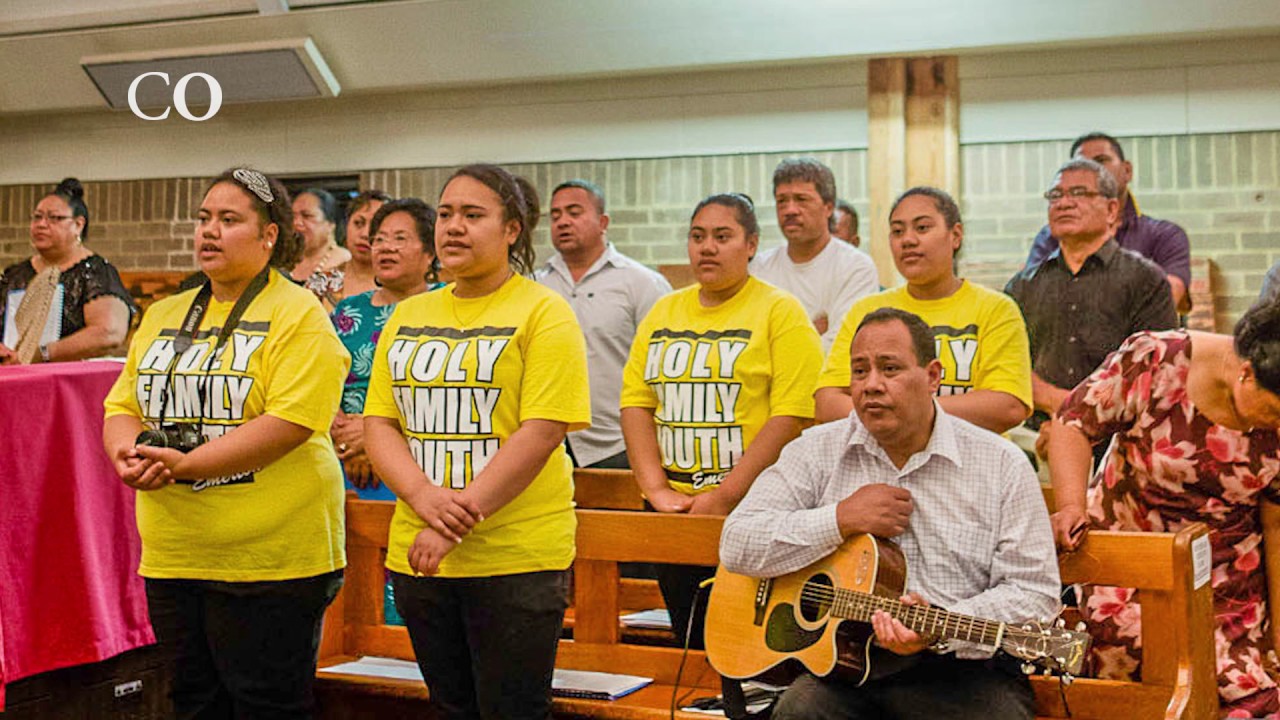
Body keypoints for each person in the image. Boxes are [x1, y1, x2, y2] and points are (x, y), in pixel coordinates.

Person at [721, 307, 1061, 720]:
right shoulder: (816, 450)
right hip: (847, 668)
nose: (871, 386)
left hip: (964, 672)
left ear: (933, 376)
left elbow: (1035, 595)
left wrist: (941, 624)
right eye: (859, 371)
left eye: (890, 368)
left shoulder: (1001, 463)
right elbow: (737, 542)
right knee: (799, 710)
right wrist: (840, 518)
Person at [102, 168, 350, 719]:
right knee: (192, 702)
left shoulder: (299, 314)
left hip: (271, 555)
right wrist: (125, 454)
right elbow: (122, 405)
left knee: (265, 706)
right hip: (175, 551)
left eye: (229, 220)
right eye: (204, 218)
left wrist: (186, 464)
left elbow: (289, 422)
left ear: (269, 236)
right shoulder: (166, 313)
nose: (209, 231)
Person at [364, 164, 590, 720]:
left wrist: (452, 520)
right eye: (445, 214)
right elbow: (380, 424)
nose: (453, 227)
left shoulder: (544, 312)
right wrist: (422, 499)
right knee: (449, 709)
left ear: (512, 229)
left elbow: (540, 433)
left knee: (512, 711)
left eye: (473, 215)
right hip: (421, 557)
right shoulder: (409, 315)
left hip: (515, 558)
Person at [1047, 299, 1280, 717]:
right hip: (1131, 576)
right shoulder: (1157, 360)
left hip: (1229, 589)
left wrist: (1278, 642)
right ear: (1246, 373)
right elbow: (1073, 424)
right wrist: (1069, 506)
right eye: (1275, 411)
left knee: (1253, 697)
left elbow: (1278, 529)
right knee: (1145, 680)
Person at [620, 192, 823, 649]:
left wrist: (725, 496)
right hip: (676, 512)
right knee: (690, 645)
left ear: (750, 245)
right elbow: (636, 403)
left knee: (748, 648)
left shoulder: (779, 312)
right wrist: (656, 491)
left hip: (754, 511)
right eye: (697, 237)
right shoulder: (664, 312)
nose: (707, 247)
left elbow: (790, 415)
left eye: (722, 236)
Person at [815, 187, 1031, 434]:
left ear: (956, 235)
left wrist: (906, 410)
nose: (908, 240)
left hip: (973, 462)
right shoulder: (867, 310)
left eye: (922, 228)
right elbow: (827, 403)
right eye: (897, 231)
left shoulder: (996, 309)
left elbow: (1008, 406)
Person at [1005, 158, 1178, 450]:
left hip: (1121, 443)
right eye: (1056, 195)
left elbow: (1156, 371)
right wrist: (1058, 412)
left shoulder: (1146, 281)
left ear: (1112, 209)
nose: (1064, 203)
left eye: (1079, 193)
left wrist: (1078, 418)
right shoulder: (1023, 286)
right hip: (1039, 440)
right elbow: (1009, 366)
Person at [535, 179, 671, 469]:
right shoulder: (535, 285)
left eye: (574, 212)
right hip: (548, 445)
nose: (563, 222)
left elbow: (663, 368)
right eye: (555, 215)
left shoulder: (642, 283)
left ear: (603, 221)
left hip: (619, 444)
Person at [331, 197, 442, 499]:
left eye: (400, 239)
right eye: (379, 239)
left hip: (421, 459)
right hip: (342, 458)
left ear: (430, 252)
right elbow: (319, 379)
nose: (385, 247)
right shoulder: (347, 311)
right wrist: (344, 436)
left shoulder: (448, 305)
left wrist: (374, 438)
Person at [1025, 132, 1192, 313]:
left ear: (1127, 171)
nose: (1092, 171)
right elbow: (1036, 302)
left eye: (1101, 160)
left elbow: (1164, 303)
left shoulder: (1164, 235)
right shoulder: (1051, 236)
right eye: (1082, 165)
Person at [0, 177, 135, 364]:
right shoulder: (15, 274)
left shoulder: (95, 272)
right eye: (37, 217)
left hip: (67, 381)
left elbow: (109, 332)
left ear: (78, 225)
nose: (41, 224)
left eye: (54, 218)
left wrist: (42, 354)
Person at [751, 157, 878, 351]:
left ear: (828, 207)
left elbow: (841, 347)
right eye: (782, 201)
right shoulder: (758, 268)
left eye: (801, 200)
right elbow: (751, 345)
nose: (790, 210)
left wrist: (780, 340)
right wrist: (810, 331)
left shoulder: (856, 267)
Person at [290, 188, 351, 310]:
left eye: (306, 216)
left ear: (330, 224)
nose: (297, 223)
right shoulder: (280, 261)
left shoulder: (346, 263)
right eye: (293, 216)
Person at [336, 190, 391, 300]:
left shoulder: (401, 285)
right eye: (358, 223)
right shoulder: (321, 283)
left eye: (374, 227)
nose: (365, 234)